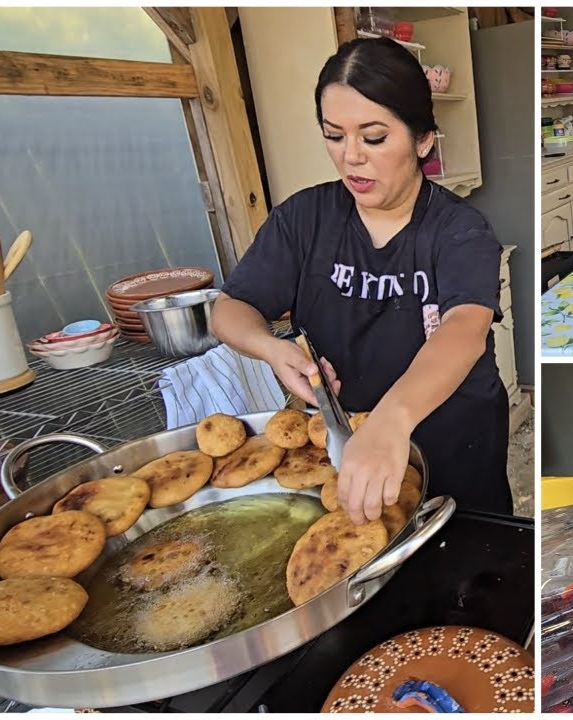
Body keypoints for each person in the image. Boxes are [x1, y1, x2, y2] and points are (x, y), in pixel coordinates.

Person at [212, 37, 512, 525]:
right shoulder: (305, 219)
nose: (351, 157)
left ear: (422, 140)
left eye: (373, 138)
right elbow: (231, 308)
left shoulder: (459, 230)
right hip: (347, 445)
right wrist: (274, 349)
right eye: (334, 135)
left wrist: (391, 420)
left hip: (456, 443)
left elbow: (465, 329)